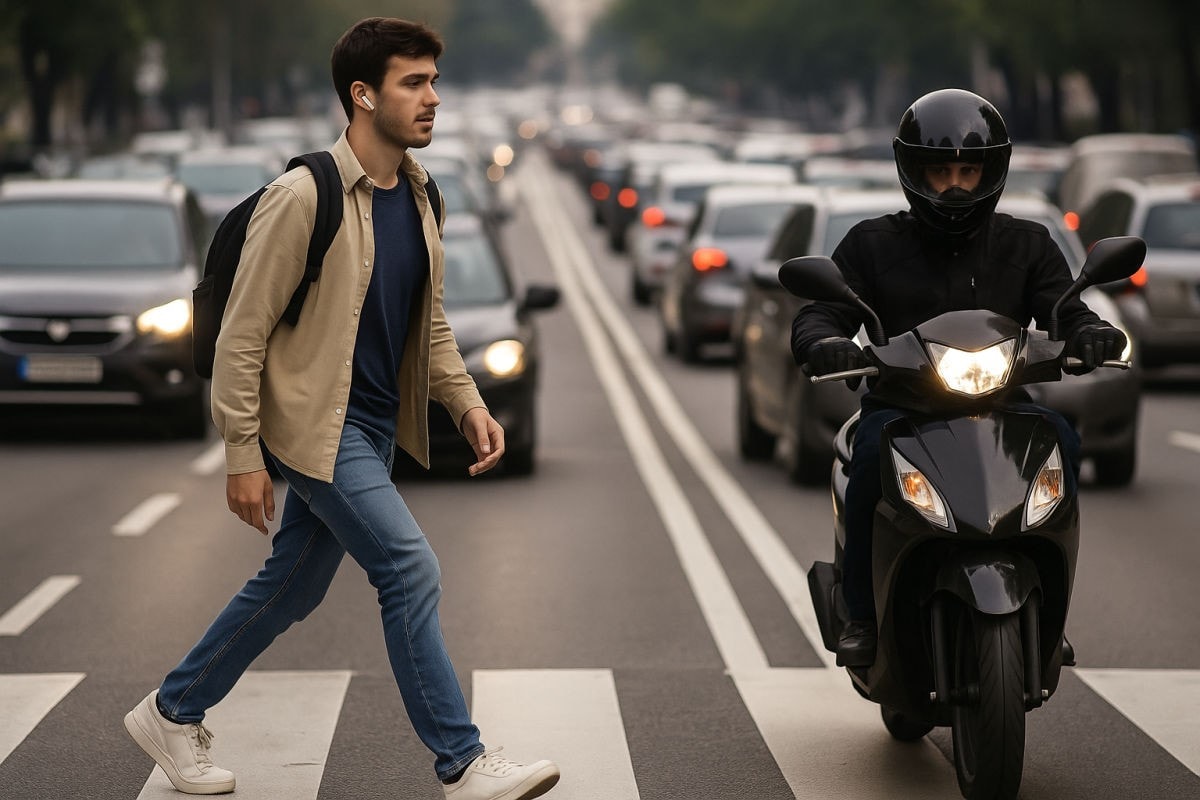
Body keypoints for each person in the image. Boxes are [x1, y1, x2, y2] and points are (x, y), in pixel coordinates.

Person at [122, 17, 560, 800]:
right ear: (362, 95)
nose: (432, 99)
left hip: (373, 424)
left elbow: (426, 322)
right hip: (315, 424)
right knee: (409, 568)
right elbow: (243, 335)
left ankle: (173, 709)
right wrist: (243, 454)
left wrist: (466, 403)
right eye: (412, 83)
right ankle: (461, 760)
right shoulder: (303, 196)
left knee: (292, 588)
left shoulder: (422, 194)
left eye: (433, 81)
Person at [790, 88, 1127, 667]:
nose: (954, 185)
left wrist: (1090, 332)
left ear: (990, 172)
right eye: (939, 170)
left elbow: (1065, 308)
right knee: (870, 455)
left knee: (1064, 442)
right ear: (912, 171)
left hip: (1004, 408)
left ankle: (1050, 614)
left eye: (968, 170)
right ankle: (862, 616)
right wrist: (824, 341)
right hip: (903, 407)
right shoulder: (873, 244)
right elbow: (823, 309)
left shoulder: (1028, 244)